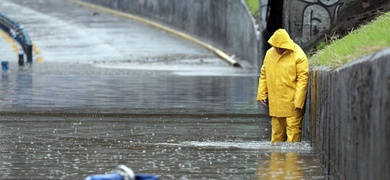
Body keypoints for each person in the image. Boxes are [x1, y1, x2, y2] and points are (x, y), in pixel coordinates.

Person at [257, 29, 308, 143]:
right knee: (276, 135)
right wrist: (262, 94)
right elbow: (264, 74)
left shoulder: (298, 55)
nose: (278, 49)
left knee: (293, 133)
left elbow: (302, 79)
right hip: (276, 103)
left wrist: (298, 101)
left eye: (281, 47)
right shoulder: (270, 54)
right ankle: (276, 159)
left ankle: (292, 159)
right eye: (276, 46)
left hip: (292, 103)